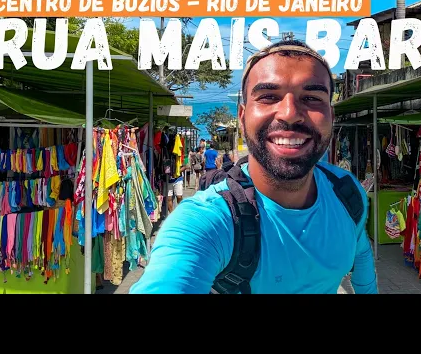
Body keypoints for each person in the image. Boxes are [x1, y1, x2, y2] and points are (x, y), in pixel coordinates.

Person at [130, 40, 377, 294]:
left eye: (312, 98)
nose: (290, 113)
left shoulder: (347, 193)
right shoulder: (207, 222)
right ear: (242, 117)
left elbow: (362, 259)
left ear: (331, 118)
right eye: (268, 97)